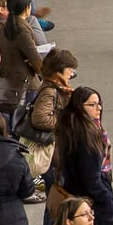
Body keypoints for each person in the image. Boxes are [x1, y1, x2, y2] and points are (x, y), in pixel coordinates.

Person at [54, 86, 113, 225]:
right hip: (93, 201)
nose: (99, 108)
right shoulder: (88, 138)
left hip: (74, 193)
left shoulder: (70, 127)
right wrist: (106, 197)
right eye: (93, 104)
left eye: (99, 103)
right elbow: (91, 179)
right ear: (80, 107)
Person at [22, 47, 77, 190]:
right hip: (54, 151)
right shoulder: (50, 91)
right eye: (69, 69)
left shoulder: (55, 87)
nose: (72, 73)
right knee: (58, 191)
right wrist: (66, 123)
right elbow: (40, 118)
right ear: (58, 71)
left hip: (56, 148)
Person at [0, 0, 44, 107]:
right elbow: (35, 59)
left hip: (7, 78)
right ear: (27, 8)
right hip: (24, 83)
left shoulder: (4, 27)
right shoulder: (21, 30)